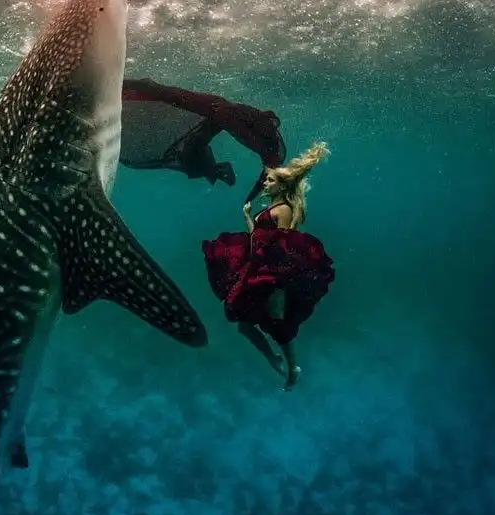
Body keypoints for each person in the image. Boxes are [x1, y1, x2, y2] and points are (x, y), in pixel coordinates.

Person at [201, 142, 335, 391]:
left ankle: (292, 367)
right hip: (259, 267)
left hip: (274, 273)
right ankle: (273, 358)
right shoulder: (272, 208)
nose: (265, 183)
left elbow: (284, 242)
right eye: (266, 180)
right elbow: (257, 238)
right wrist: (248, 218)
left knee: (277, 321)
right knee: (243, 322)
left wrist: (279, 275)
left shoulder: (283, 210)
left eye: (270, 180)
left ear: (282, 186)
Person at [119, 78, 285, 195]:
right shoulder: (226, 114)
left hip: (195, 113)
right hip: (192, 114)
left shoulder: (224, 114)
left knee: (187, 150)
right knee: (188, 150)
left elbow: (225, 118)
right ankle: (214, 170)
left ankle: (214, 170)